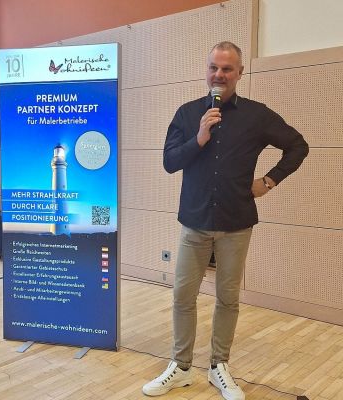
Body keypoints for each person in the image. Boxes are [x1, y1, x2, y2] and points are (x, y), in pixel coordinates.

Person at [142, 41, 309, 400]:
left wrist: (269, 181)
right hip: (194, 222)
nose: (219, 74)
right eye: (214, 67)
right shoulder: (188, 114)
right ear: (206, 70)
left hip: (236, 223)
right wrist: (199, 138)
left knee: (228, 299)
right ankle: (181, 367)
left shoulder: (257, 115)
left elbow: (298, 146)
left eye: (227, 69)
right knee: (183, 296)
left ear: (240, 73)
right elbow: (170, 162)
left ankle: (219, 366)